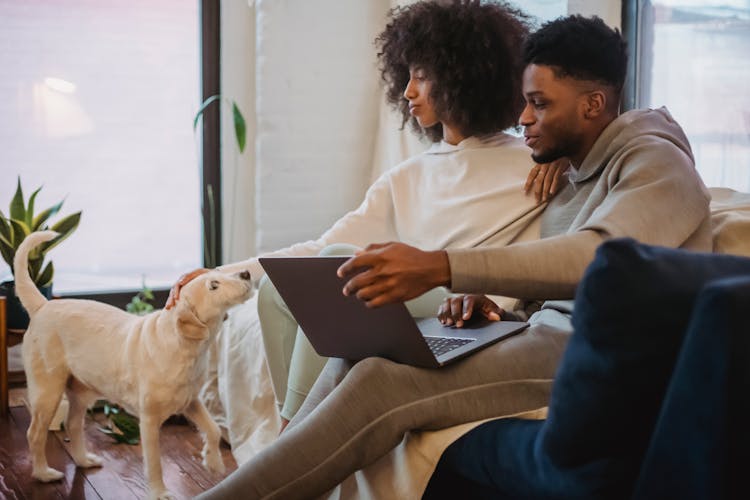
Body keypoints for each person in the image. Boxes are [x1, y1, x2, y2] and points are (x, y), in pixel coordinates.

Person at [196, 14, 712, 500]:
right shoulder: (578, 168)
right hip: (538, 335)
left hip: (595, 356)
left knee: (381, 387)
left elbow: (602, 258)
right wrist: (495, 307)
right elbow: (558, 285)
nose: (523, 117)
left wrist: (440, 266)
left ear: (594, 105)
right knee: (362, 359)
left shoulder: (658, 161)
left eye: (540, 104)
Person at [168, 0, 565, 431]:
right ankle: (297, 428)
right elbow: (319, 249)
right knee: (280, 290)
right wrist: (221, 273)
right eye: (406, 75)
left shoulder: (537, 165)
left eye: (422, 76)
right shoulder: (406, 177)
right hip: (414, 312)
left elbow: (620, 149)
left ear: (462, 76)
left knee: (340, 261)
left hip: (476, 314)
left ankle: (291, 441)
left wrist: (567, 159)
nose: (408, 92)